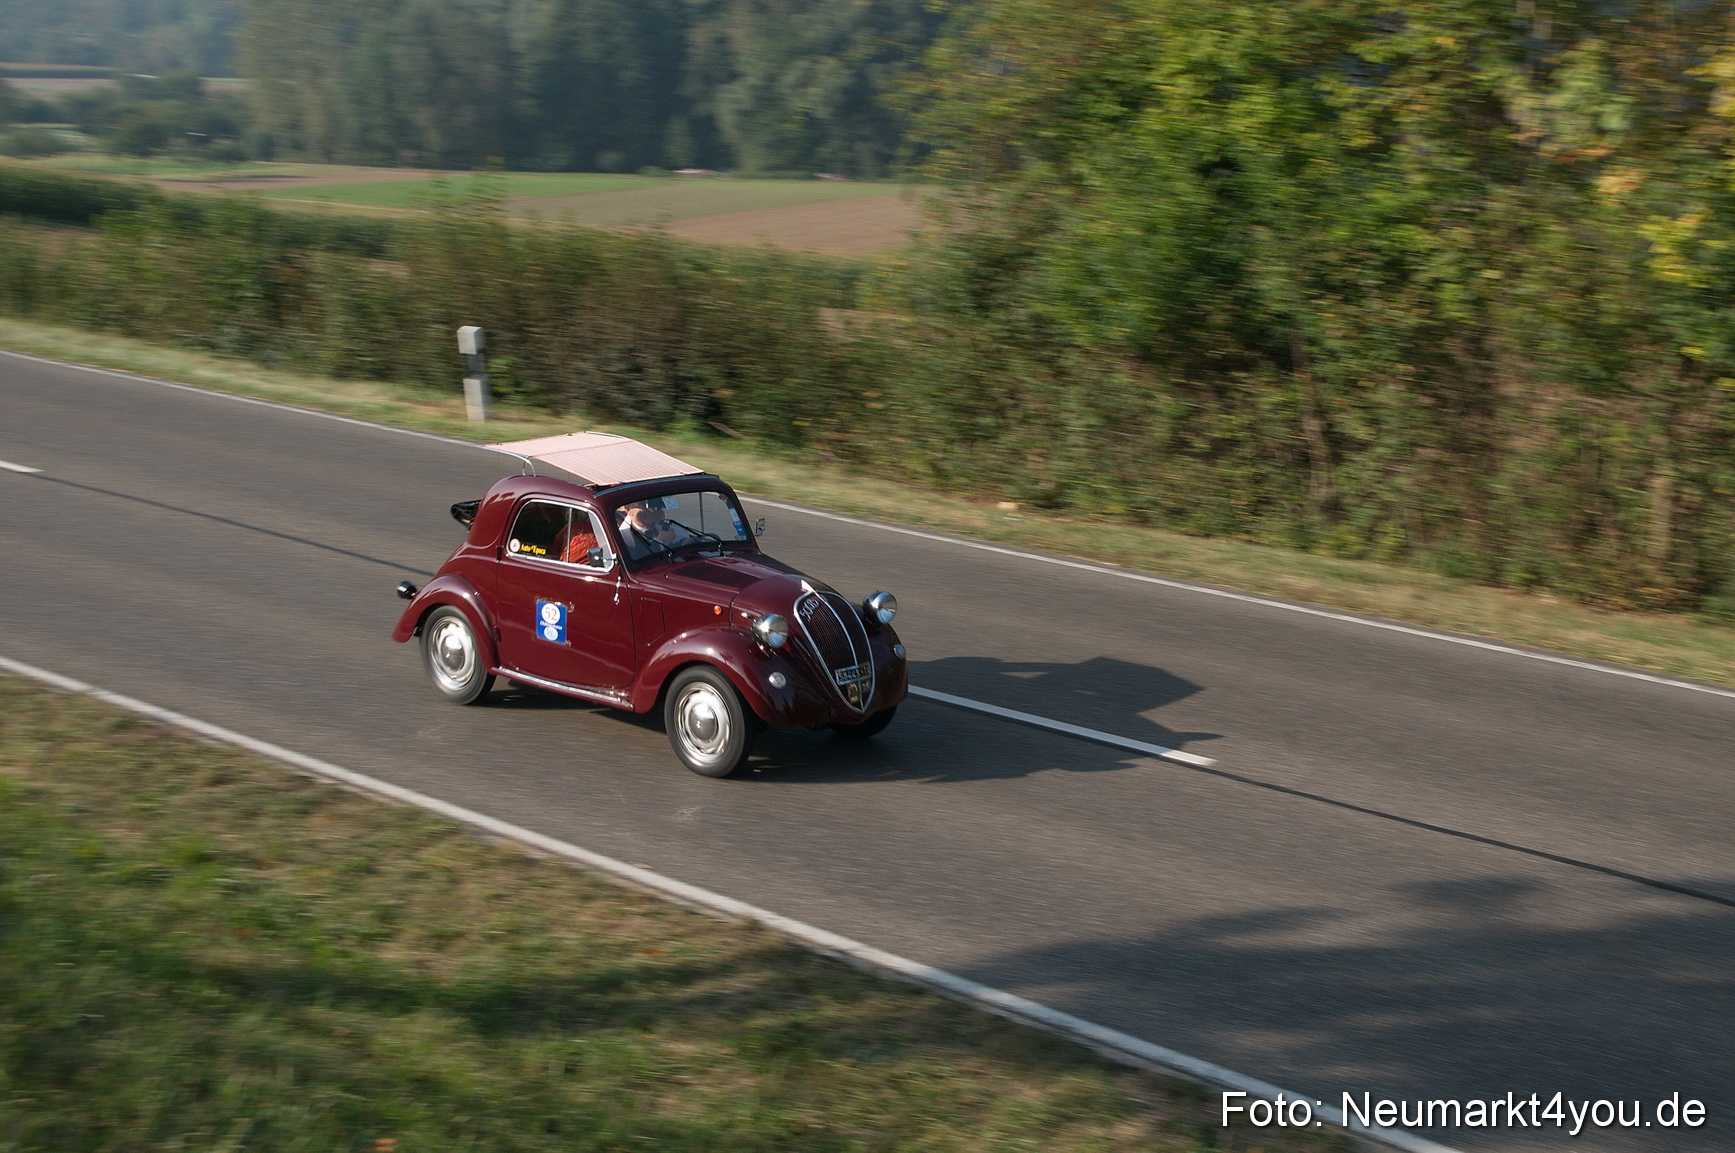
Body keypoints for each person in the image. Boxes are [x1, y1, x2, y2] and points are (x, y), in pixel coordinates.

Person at [617, 498, 696, 560]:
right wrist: (661, 542)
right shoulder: (621, 538)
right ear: (628, 510)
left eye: (654, 506)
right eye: (643, 506)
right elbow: (637, 559)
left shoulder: (662, 525)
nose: (651, 510)